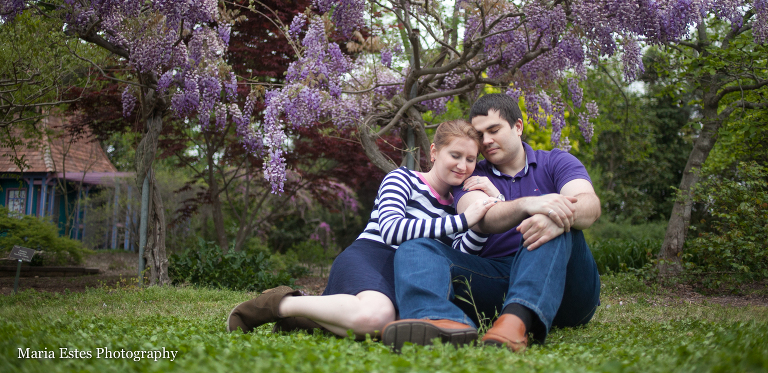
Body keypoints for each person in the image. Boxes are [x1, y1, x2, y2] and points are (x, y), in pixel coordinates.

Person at [226, 120, 499, 339]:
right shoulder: (401, 178)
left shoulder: (458, 206)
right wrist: (464, 220)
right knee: (375, 318)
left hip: (410, 274)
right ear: (434, 152)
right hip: (372, 255)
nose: (463, 166)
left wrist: (481, 223)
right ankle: (278, 304)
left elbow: (459, 252)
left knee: (388, 328)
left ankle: (302, 320)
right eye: (455, 155)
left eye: (471, 159)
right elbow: (392, 230)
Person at [382, 93, 601, 352]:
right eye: (480, 134)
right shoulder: (472, 172)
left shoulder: (555, 161)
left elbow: (589, 204)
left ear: (517, 127)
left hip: (567, 287)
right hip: (496, 279)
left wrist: (555, 214)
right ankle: (436, 319)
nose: (486, 141)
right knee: (417, 246)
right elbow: (479, 220)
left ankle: (516, 321)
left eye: (494, 130)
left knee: (553, 220)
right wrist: (528, 205)